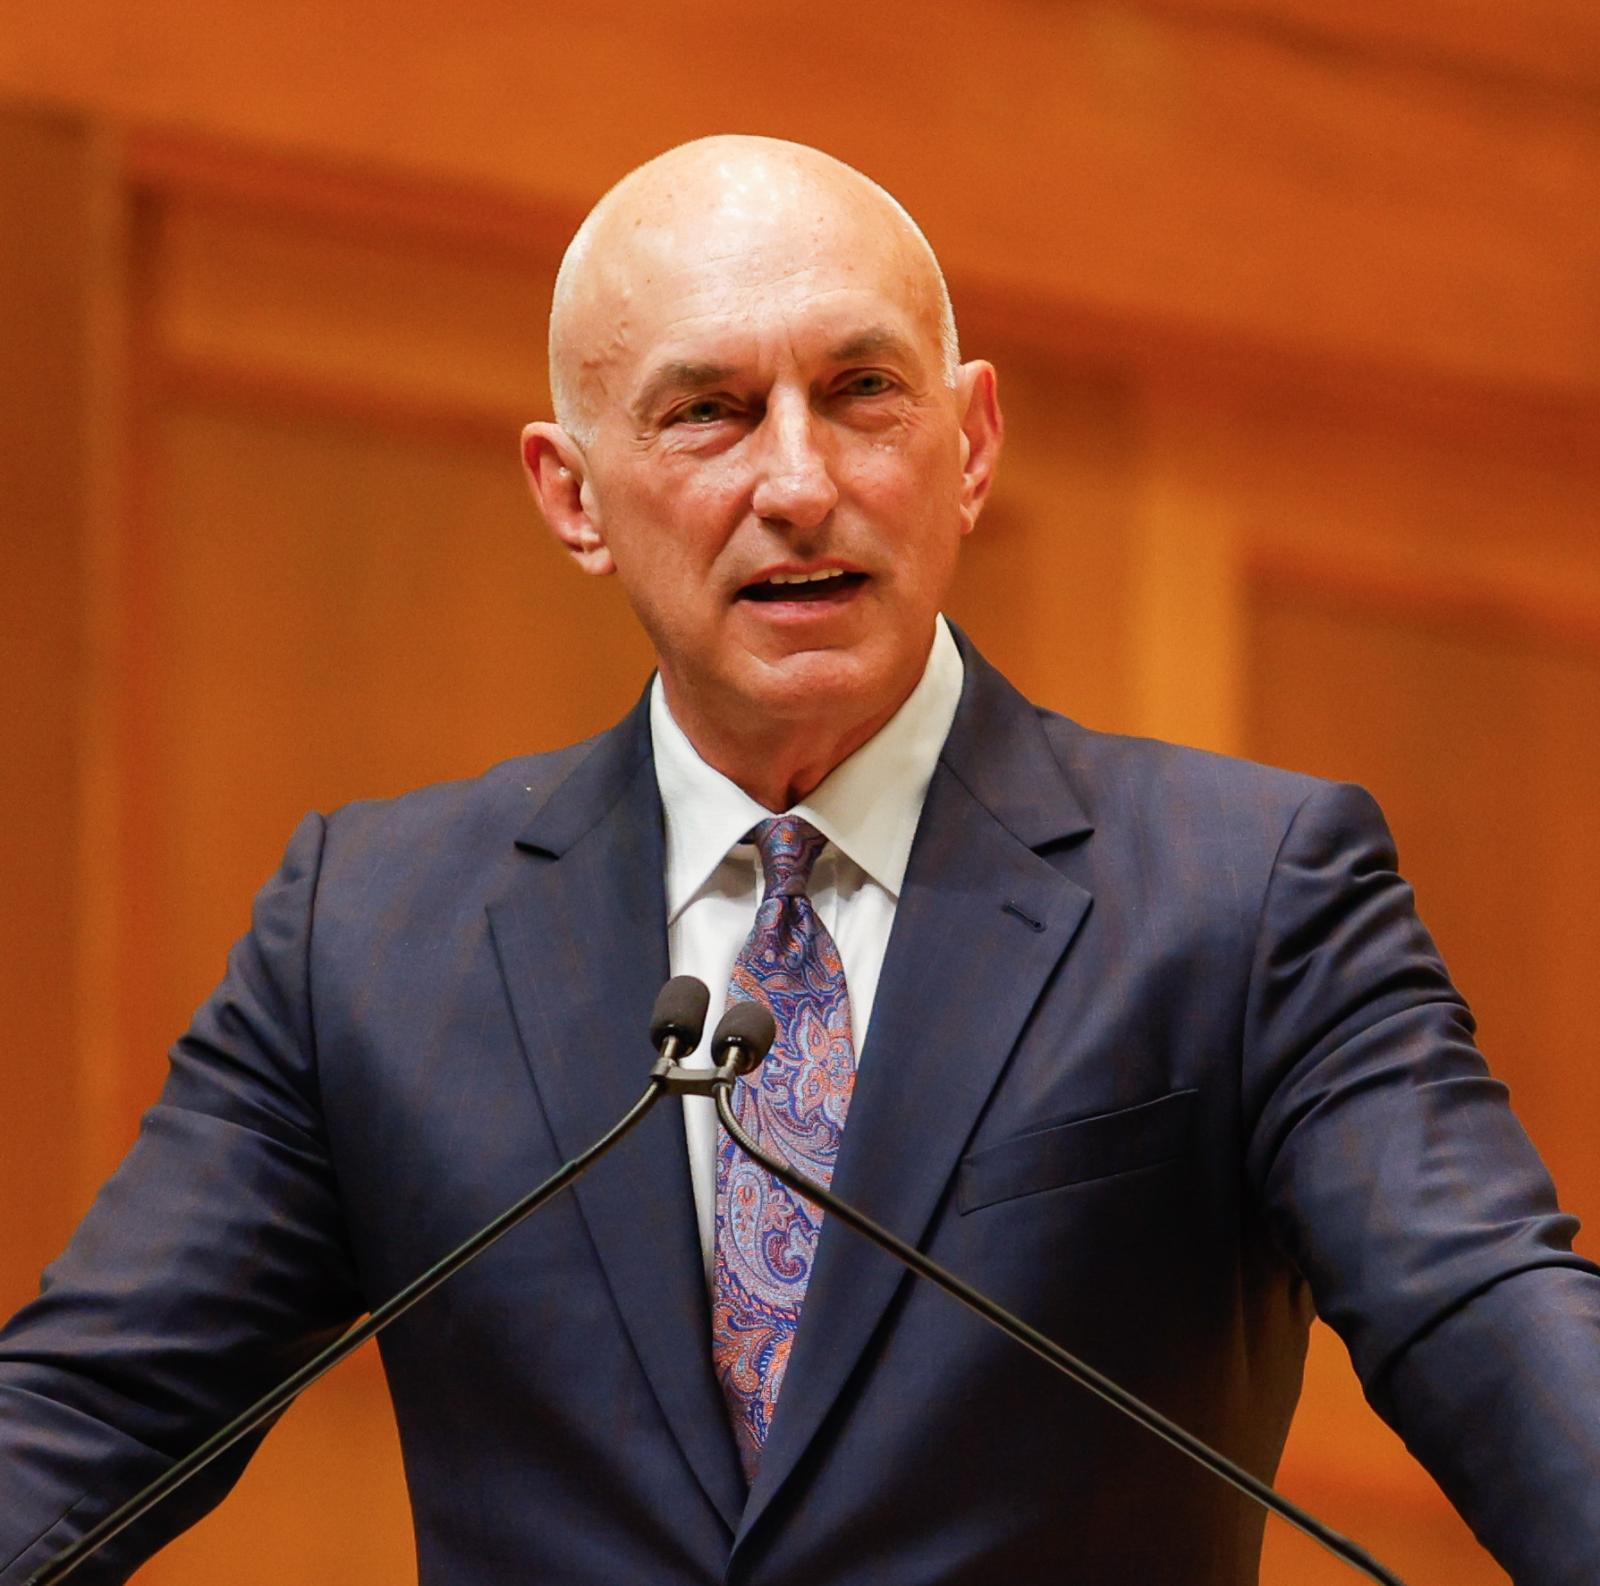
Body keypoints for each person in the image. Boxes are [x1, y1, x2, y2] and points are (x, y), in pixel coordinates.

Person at [2, 135, 1597, 1586]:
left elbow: (1499, 1329)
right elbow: (85, 1416)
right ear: (571, 494)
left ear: (969, 443)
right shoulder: (371, 930)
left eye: (861, 392)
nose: (799, 481)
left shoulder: (1248, 895)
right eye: (708, 410)